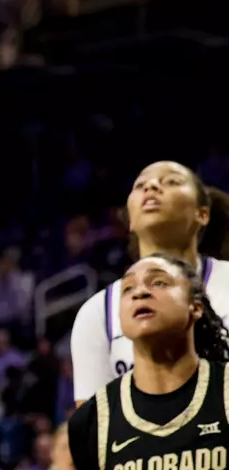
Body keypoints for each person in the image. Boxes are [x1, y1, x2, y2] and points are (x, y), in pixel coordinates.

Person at [67, 254, 229, 470]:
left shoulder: (226, 390)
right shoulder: (93, 421)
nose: (140, 291)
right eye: (128, 289)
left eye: (159, 282)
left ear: (195, 308)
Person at [70, 161, 229, 402]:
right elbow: (93, 430)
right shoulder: (97, 313)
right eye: (140, 185)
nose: (151, 186)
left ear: (202, 213)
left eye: (171, 181)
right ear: (130, 221)